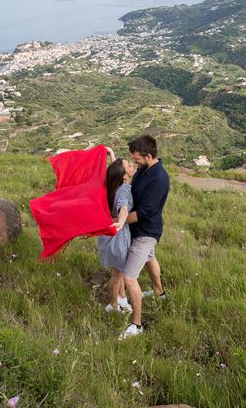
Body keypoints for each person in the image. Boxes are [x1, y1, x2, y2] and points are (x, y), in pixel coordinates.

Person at [120, 134, 170, 339]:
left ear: (148, 156)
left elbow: (145, 213)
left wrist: (119, 222)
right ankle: (160, 294)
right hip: (141, 228)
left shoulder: (159, 178)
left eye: (137, 159)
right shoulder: (144, 170)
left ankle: (137, 325)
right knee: (150, 258)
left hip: (146, 231)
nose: (135, 163)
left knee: (129, 277)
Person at [97, 147, 136, 313]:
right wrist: (121, 222)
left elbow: (116, 171)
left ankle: (121, 299)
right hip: (118, 237)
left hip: (109, 235)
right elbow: (124, 209)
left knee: (118, 270)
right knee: (118, 275)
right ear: (125, 176)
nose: (132, 164)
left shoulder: (114, 185)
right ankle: (112, 305)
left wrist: (112, 155)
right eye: (129, 165)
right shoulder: (124, 190)